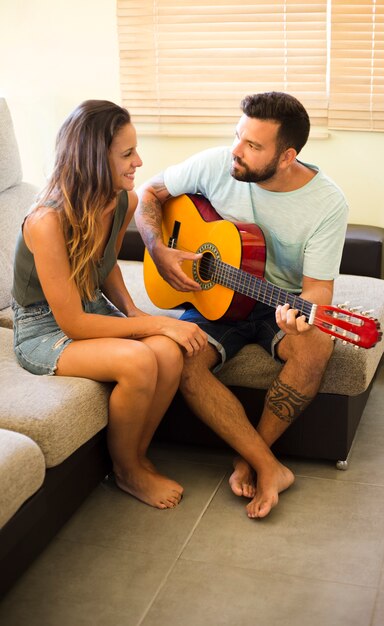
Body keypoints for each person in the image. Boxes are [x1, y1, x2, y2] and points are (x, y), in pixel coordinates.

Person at [135, 91, 349, 519]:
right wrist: (158, 249)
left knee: (317, 346)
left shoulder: (328, 203)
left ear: (286, 156)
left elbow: (319, 289)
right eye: (238, 136)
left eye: (253, 145)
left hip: (276, 303)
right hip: (213, 300)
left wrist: (300, 313)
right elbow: (148, 195)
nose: (237, 150)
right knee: (181, 358)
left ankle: (252, 456)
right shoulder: (217, 163)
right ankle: (270, 467)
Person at [12, 100, 207, 510]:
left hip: (91, 306)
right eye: (126, 154)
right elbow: (73, 325)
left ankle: (136, 454)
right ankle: (127, 471)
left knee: (168, 355)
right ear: (92, 159)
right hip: (46, 328)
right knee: (139, 359)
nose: (139, 161)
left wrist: (135, 313)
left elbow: (105, 267)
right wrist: (156, 324)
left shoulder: (123, 200)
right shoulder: (44, 221)